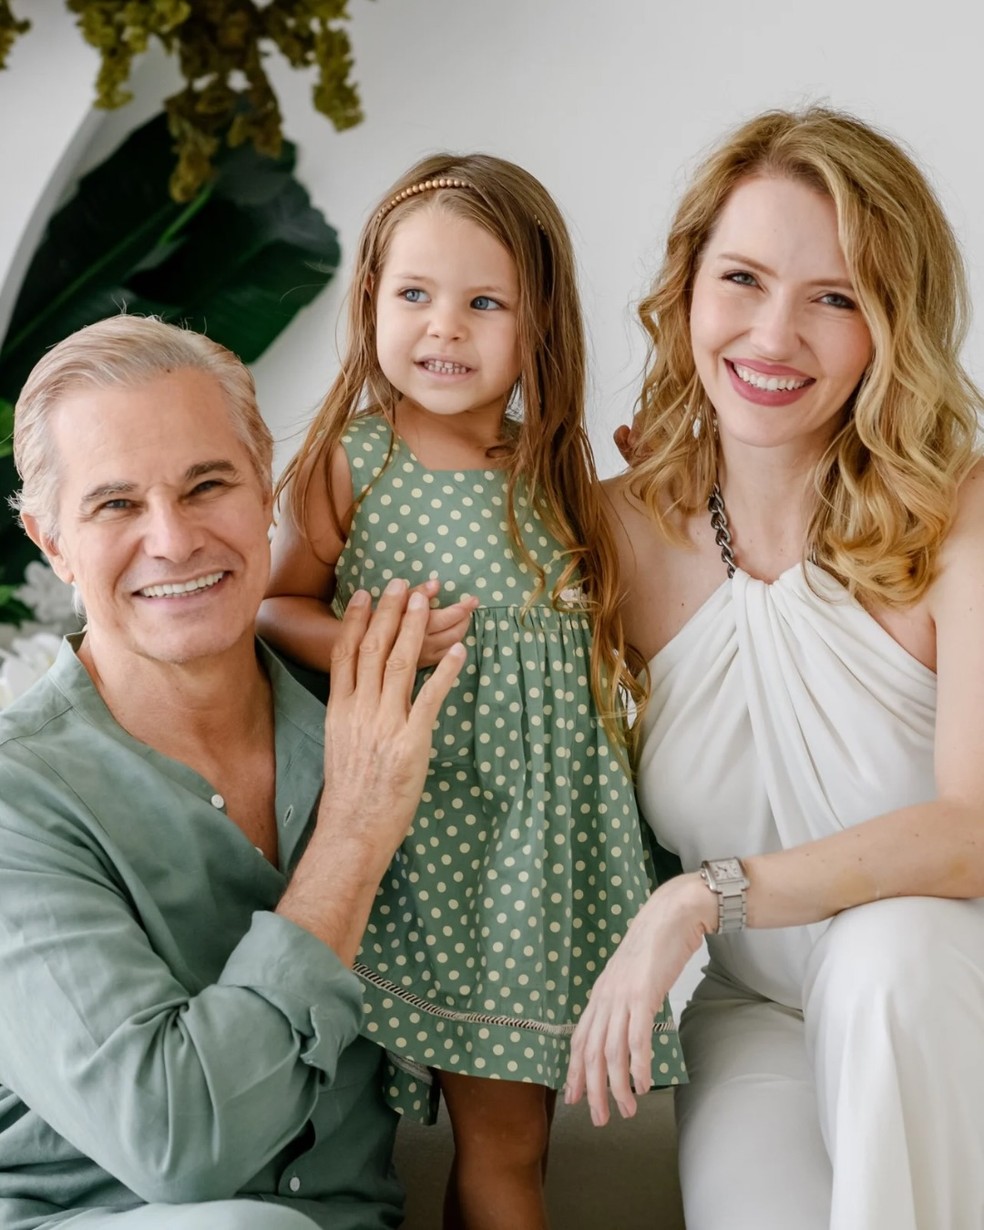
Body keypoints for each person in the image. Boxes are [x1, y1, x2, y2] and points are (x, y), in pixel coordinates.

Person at [564, 106, 984, 1229]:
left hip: (949, 987)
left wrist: (702, 898)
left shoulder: (960, 517)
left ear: (892, 326)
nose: (773, 335)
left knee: (889, 951)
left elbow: (976, 828)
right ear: (687, 290)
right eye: (743, 279)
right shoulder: (611, 535)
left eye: (834, 298)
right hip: (760, 1013)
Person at [255, 153, 685, 1229]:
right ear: (372, 301)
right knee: (494, 1141)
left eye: (485, 303)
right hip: (433, 842)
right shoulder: (356, 460)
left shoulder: (559, 472)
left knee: (518, 1138)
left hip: (545, 858)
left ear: (541, 326)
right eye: (415, 294)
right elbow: (274, 605)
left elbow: (617, 626)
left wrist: (660, 497)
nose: (444, 328)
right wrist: (369, 639)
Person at [0, 314, 467, 1230]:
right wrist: (354, 836)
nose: (173, 541)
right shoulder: (19, 797)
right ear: (51, 542)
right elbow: (179, 1144)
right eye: (116, 505)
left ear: (265, 490)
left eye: (206, 485)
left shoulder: (372, 724)